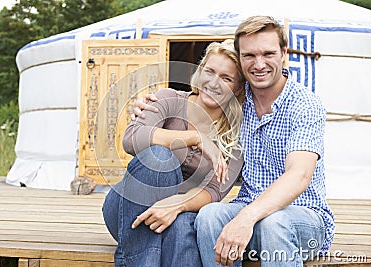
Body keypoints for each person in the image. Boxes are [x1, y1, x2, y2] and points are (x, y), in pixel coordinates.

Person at [133, 16, 335, 267]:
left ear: (284, 53)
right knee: (209, 215)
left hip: (302, 217)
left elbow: (299, 176)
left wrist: (246, 218)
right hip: (247, 209)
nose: (259, 64)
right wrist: (148, 107)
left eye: (268, 53)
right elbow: (198, 99)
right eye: (249, 55)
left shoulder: (304, 105)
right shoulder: (236, 100)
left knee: (274, 223)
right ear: (240, 59)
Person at [102, 39, 246, 267]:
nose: (214, 83)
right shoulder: (169, 99)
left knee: (184, 225)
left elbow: (214, 191)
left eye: (226, 78)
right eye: (209, 71)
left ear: (238, 88)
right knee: (159, 158)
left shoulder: (237, 132)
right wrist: (195, 138)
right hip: (129, 208)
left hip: (179, 216)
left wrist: (175, 206)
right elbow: (131, 140)